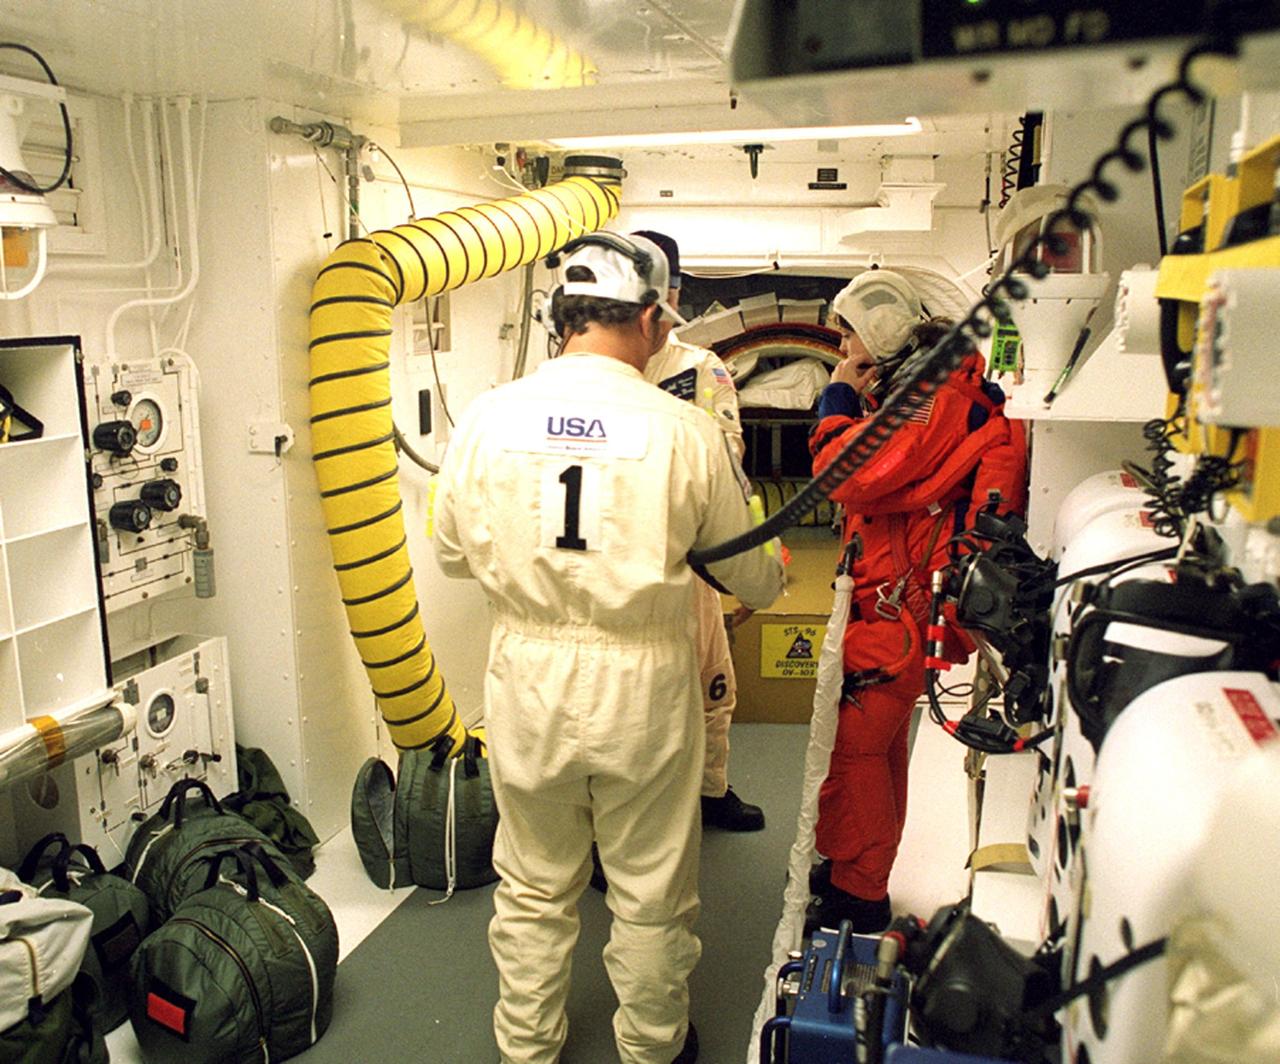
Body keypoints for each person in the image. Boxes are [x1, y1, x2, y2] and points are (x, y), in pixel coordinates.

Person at [432, 231, 784, 1064]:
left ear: (561, 317)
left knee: (531, 882)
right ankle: (654, 1046)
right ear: (657, 318)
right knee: (652, 889)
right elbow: (758, 581)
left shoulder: (486, 418)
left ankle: (525, 1046)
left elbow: (451, 553)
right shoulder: (684, 430)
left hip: (526, 675)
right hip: (645, 683)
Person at [805, 269, 1027, 934]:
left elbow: (845, 471)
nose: (845, 351)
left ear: (881, 334)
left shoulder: (931, 402)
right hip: (894, 605)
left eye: (851, 338)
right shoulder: (933, 392)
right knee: (873, 753)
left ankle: (860, 893)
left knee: (860, 756)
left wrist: (840, 393)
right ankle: (853, 866)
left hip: (897, 616)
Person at [632, 228, 764, 833]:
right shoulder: (577, 372)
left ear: (673, 294)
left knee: (713, 683)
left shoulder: (698, 368)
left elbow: (728, 452)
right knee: (633, 703)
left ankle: (711, 790)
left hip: (688, 561)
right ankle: (628, 820)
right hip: (617, 568)